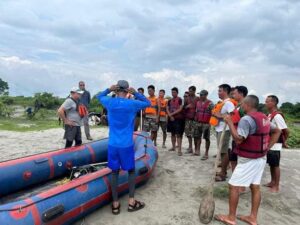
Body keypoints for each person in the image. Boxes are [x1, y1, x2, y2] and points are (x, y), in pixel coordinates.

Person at [215, 95, 281, 225]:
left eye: (243, 104)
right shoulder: (263, 117)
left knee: (233, 186)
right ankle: (253, 217)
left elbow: (239, 139)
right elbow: (277, 131)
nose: (241, 106)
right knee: (255, 186)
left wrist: (229, 123)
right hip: (261, 157)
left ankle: (231, 218)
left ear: (248, 105)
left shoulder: (246, 119)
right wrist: (267, 148)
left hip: (248, 159)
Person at [97, 80, 150, 215]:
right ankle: (131, 202)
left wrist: (108, 89)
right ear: (127, 91)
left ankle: (115, 205)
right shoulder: (132, 103)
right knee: (131, 171)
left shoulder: (109, 102)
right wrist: (136, 93)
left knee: (114, 172)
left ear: (116, 90)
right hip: (126, 144)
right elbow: (148, 103)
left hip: (113, 144)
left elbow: (99, 96)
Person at [264, 95, 289, 193]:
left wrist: (284, 141)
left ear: (273, 103)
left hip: (276, 145)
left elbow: (286, 131)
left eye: (267, 101)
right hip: (270, 143)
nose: (265, 103)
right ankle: (272, 182)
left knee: (275, 165)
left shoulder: (277, 116)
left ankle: (276, 186)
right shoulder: (270, 115)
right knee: (271, 164)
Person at [213, 84, 235, 182]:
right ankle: (222, 170)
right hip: (219, 129)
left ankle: (223, 173)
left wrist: (219, 115)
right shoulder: (222, 103)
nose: (218, 92)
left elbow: (232, 116)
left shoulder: (229, 103)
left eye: (220, 91)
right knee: (221, 151)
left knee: (224, 152)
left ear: (225, 91)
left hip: (224, 130)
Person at [229, 86, 248, 172]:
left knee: (239, 161)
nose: (233, 95)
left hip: (240, 138)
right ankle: (234, 179)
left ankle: (238, 181)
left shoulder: (245, 107)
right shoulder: (237, 106)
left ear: (241, 94)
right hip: (235, 136)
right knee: (233, 159)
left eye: (234, 93)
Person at [193, 90, 214, 158]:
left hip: (206, 123)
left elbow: (213, 113)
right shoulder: (198, 102)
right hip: (198, 122)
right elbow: (196, 112)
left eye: (202, 95)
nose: (200, 96)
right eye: (200, 95)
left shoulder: (210, 103)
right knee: (197, 137)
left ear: (206, 95)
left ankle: (206, 153)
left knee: (207, 138)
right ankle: (197, 150)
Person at [167, 87, 185, 156]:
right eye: (172, 92)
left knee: (178, 134)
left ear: (177, 93)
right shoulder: (169, 100)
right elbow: (167, 108)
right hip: (171, 119)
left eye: (174, 92)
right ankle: (173, 147)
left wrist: (171, 114)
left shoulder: (180, 99)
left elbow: (180, 109)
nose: (173, 93)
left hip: (178, 119)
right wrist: (170, 115)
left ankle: (179, 150)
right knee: (172, 133)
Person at [184, 86, 199, 154]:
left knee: (195, 134)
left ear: (194, 91)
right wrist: (187, 106)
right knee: (188, 134)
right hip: (188, 119)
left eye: (191, 91)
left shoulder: (197, 99)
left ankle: (196, 149)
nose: (189, 92)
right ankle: (190, 148)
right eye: (189, 91)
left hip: (195, 119)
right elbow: (183, 107)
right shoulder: (187, 98)